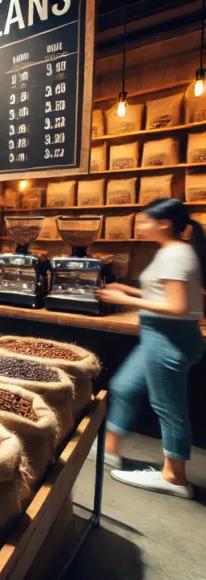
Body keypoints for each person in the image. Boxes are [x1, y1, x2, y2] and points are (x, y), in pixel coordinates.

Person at [94, 199, 205, 499]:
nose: (139, 226)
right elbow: (165, 293)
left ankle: (174, 477)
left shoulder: (175, 255)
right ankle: (110, 449)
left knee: (169, 408)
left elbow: (177, 306)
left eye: (144, 221)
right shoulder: (172, 252)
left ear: (164, 223)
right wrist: (128, 290)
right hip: (160, 335)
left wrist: (129, 301)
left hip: (169, 337)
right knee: (124, 386)